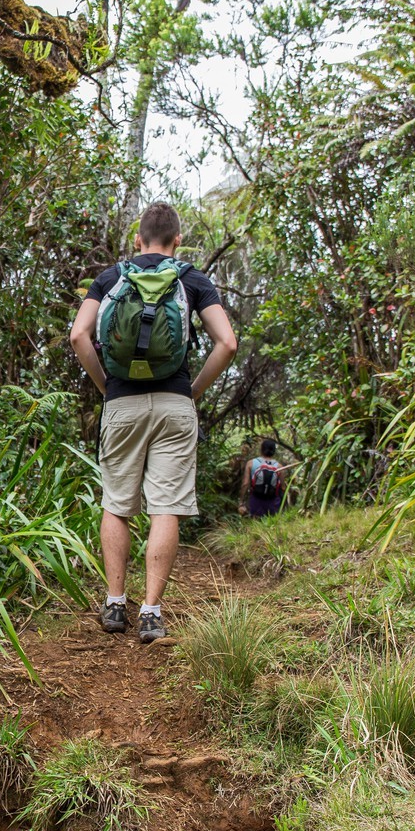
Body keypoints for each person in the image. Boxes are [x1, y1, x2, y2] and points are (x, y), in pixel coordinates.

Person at [69, 202, 238, 643]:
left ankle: (114, 604)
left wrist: (106, 386)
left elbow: (79, 335)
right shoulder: (192, 279)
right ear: (177, 240)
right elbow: (227, 343)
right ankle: (150, 612)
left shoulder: (111, 277)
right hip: (174, 404)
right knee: (166, 506)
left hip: (122, 403)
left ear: (138, 240)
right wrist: (192, 392)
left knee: (116, 504)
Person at [240, 438, 285, 519]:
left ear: (261, 449)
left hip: (256, 500)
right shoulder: (279, 466)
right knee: (272, 523)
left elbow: (245, 484)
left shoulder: (251, 463)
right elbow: (283, 487)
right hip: (273, 501)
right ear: (274, 451)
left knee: (255, 522)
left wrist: (241, 501)